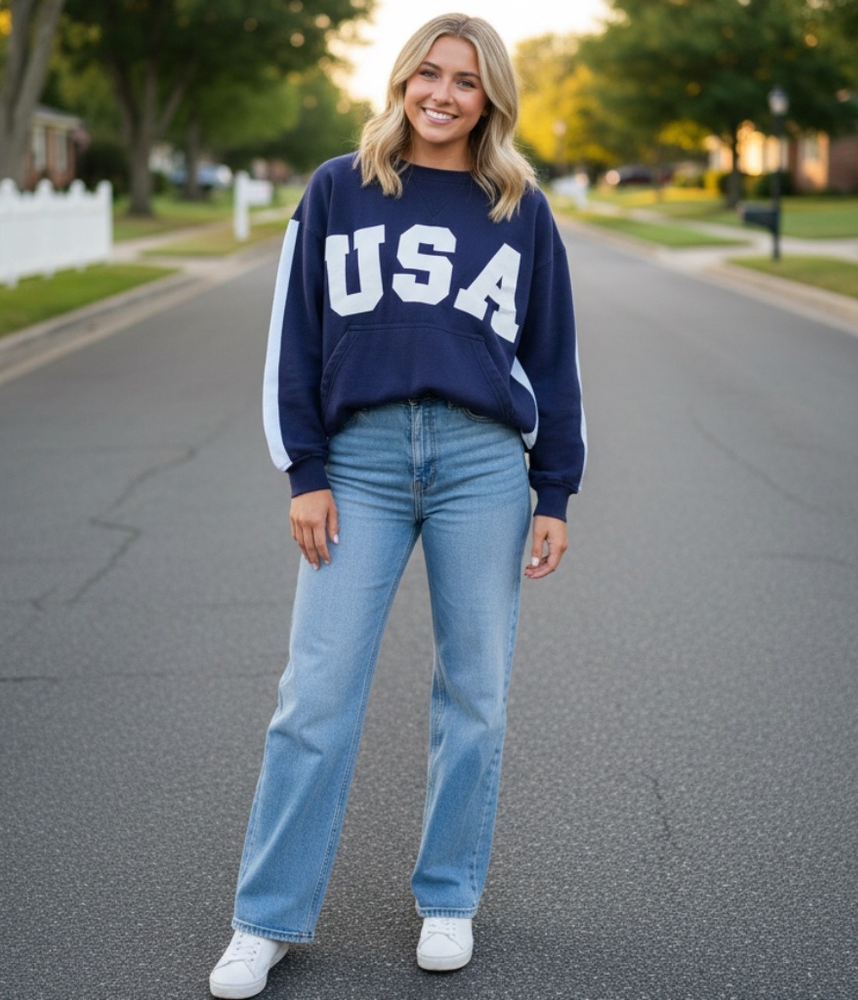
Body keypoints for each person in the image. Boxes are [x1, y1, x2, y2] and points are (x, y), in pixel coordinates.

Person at [209, 13, 587, 998]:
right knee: (315, 698)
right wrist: (305, 470)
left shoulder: (519, 206)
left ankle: (448, 899)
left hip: (481, 464)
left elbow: (553, 358)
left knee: (475, 697)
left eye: (466, 80)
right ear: (401, 82)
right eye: (429, 73)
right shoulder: (339, 189)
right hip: (362, 460)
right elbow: (292, 339)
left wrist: (555, 487)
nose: (443, 93)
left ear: (490, 98)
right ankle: (264, 921)